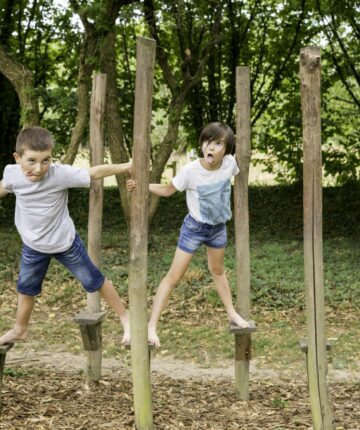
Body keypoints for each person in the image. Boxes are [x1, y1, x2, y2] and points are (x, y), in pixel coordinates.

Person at [0, 126, 131, 346]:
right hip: (33, 245)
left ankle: (126, 318)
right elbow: (5, 187)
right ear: (17, 157)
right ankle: (19, 330)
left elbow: (94, 172)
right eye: (31, 161)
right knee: (26, 288)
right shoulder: (12, 174)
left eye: (46, 160)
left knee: (94, 280)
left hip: (65, 243)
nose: (39, 168)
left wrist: (127, 166)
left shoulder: (59, 174)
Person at [127, 121, 250, 346]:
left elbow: (244, 153)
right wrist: (142, 185)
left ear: (227, 148)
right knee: (173, 277)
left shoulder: (230, 164)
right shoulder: (191, 171)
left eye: (218, 143)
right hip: (194, 228)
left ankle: (232, 313)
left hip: (218, 228)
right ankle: (151, 326)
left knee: (218, 271)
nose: (210, 147)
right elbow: (167, 190)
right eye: (207, 141)